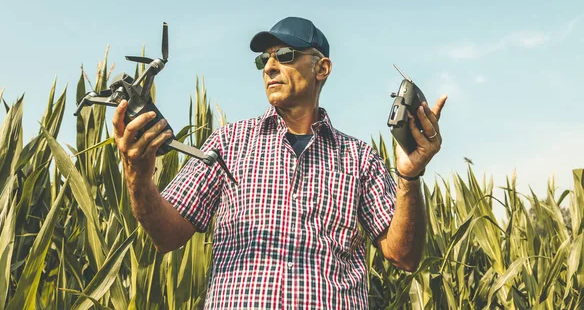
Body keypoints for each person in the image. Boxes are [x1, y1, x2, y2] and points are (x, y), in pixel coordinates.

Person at [112, 16, 447, 309]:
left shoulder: (359, 158)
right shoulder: (228, 143)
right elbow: (167, 235)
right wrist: (139, 176)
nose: (269, 67)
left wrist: (409, 175)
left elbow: (403, 255)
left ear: (322, 67)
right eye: (264, 60)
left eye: (285, 56)